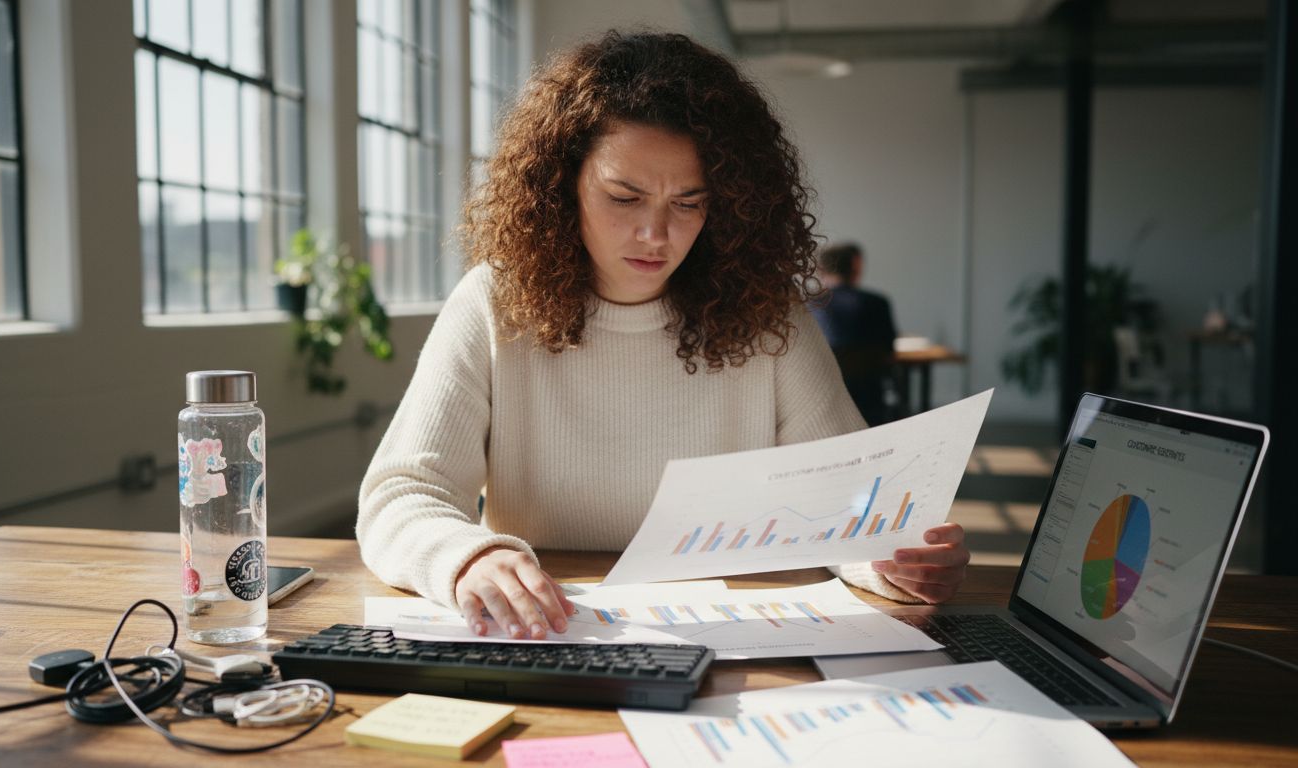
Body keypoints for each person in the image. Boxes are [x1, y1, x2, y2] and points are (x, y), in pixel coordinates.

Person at [357, 31, 969, 641]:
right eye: (625, 197)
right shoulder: (495, 301)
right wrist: (467, 558)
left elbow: (848, 500)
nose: (656, 234)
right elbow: (403, 495)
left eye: (688, 203)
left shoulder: (769, 315)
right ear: (562, 186)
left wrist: (893, 559)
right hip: (550, 632)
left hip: (737, 636)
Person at [810, 243, 899, 426]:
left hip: (821, 394)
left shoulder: (809, 306)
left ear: (820, 269)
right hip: (869, 396)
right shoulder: (877, 303)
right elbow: (889, 349)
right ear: (855, 268)